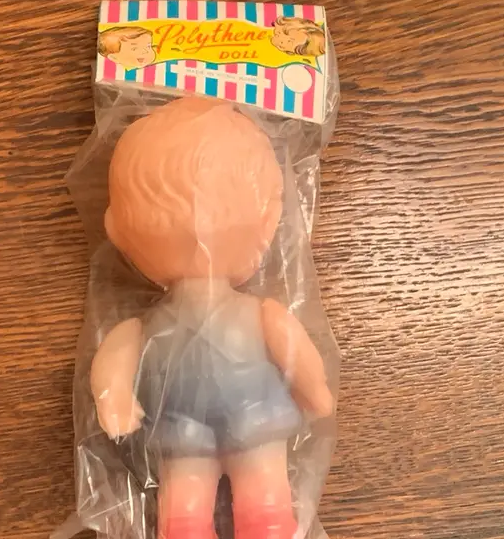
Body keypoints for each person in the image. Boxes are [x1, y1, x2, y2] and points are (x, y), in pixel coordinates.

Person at [91, 97, 333, 539]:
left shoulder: (147, 327)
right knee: (246, 506)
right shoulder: (256, 313)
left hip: (211, 428)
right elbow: (295, 352)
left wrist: (114, 398)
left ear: (117, 230)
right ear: (269, 219)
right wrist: (313, 391)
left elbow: (113, 361)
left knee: (196, 511)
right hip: (217, 426)